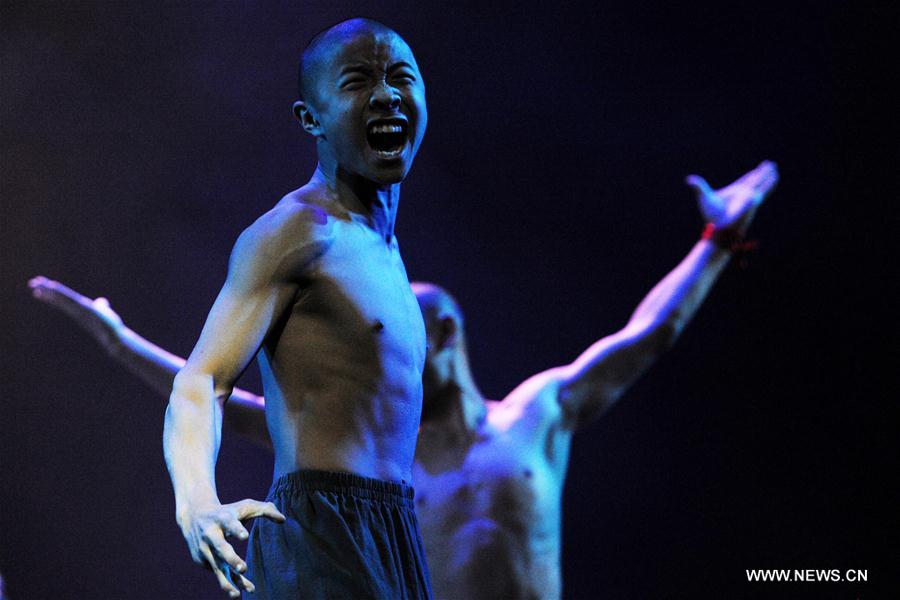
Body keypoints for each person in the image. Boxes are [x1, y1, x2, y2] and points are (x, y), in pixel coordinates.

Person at [30, 153, 780, 600]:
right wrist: (118, 339)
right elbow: (227, 397)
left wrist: (718, 239)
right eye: (420, 327)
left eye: (445, 320)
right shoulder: (379, 460)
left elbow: (650, 333)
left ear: (460, 333)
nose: (436, 336)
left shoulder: (537, 414)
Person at [158, 17, 430, 599]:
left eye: (399, 77)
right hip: (323, 533)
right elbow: (201, 381)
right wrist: (197, 500)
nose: (385, 94)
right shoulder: (296, 232)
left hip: (395, 534)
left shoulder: (384, 248)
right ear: (311, 119)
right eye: (358, 82)